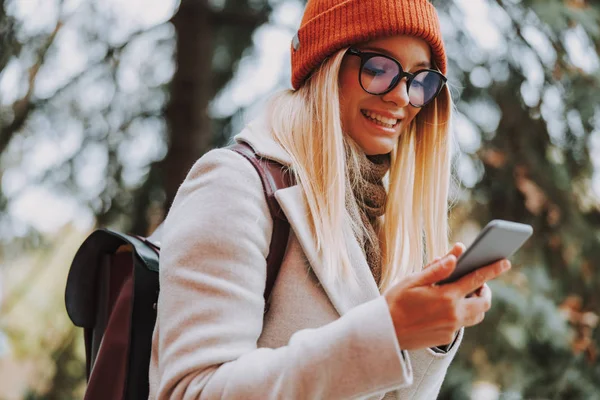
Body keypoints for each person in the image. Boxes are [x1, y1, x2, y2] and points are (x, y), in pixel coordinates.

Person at [148, 0, 512, 398]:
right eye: (378, 68)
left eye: (419, 80)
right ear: (326, 65)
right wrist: (387, 332)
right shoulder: (233, 184)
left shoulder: (372, 216)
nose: (402, 98)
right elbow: (193, 391)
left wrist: (428, 336)